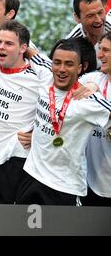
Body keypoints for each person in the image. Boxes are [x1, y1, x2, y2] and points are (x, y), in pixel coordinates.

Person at [16, 38, 111, 205]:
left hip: (64, 186)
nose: (61, 69)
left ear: (81, 68)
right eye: (57, 63)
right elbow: (19, 45)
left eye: (69, 64)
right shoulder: (46, 77)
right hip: (31, 175)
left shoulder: (88, 100)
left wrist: (94, 88)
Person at [0, 20, 53, 204]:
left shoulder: (38, 76)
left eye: (9, 43)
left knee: (7, 224)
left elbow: (57, 69)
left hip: (13, 159)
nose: (1, 47)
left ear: (24, 48)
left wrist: (37, 135)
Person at [80, 32, 111, 206]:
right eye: (100, 49)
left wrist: (95, 95)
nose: (100, 55)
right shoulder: (92, 79)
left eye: (106, 50)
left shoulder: (93, 86)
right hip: (91, 183)